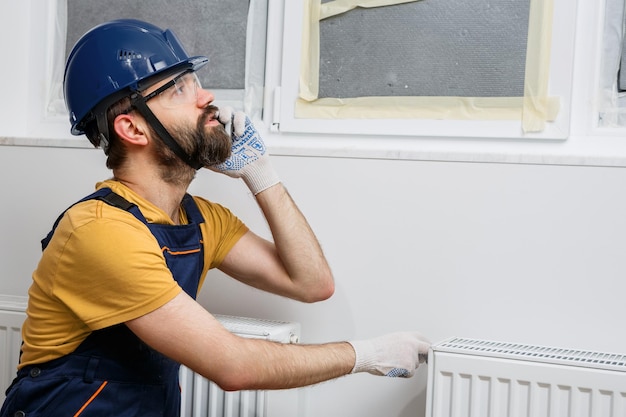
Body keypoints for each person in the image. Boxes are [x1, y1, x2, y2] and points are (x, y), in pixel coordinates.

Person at [0, 19, 430, 416]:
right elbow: (233, 366)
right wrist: (368, 355)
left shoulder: (201, 219)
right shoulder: (99, 232)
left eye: (196, 82)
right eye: (179, 90)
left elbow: (313, 283)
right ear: (133, 130)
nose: (207, 98)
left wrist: (261, 174)